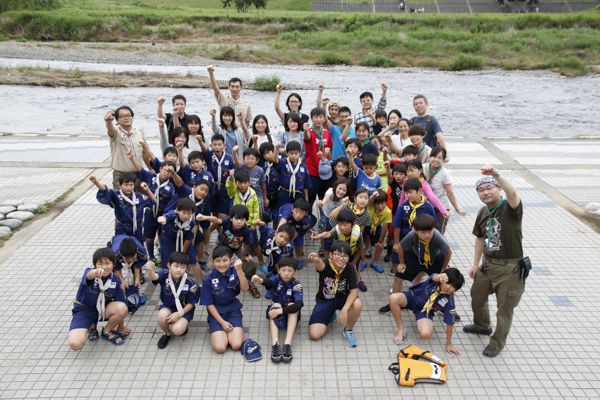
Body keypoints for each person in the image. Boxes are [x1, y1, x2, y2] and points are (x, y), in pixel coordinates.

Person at [464, 165, 525, 358]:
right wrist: (476, 263)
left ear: (499, 189)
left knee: (504, 309)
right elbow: (480, 238)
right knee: (477, 296)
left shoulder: (510, 208)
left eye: (490, 187)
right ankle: (482, 326)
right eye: (481, 190)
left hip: (510, 268)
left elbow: (513, 192)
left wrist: (496, 173)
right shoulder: (483, 212)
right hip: (488, 264)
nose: (485, 192)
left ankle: (497, 343)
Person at [389, 268, 463, 355]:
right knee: (393, 298)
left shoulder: (449, 300)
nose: (448, 287)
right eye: (447, 283)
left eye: (453, 286)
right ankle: (401, 329)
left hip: (424, 311)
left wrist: (448, 344)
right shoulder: (435, 281)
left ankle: (425, 318)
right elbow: (434, 277)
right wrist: (440, 276)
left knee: (426, 334)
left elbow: (450, 322)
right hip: (412, 298)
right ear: (442, 280)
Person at [68, 247, 129, 350]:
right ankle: (91, 327)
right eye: (100, 264)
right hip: (84, 310)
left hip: (103, 310)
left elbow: (121, 302)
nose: (104, 267)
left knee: (122, 307)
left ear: (114, 264)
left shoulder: (116, 280)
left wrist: (121, 327)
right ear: (95, 265)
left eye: (107, 263)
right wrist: (96, 273)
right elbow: (89, 275)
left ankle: (106, 331)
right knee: (75, 344)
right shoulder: (90, 273)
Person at [307, 242, 362, 347]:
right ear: (331, 255)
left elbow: (354, 291)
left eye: (345, 256)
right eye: (338, 254)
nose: (341, 258)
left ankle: (348, 330)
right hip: (325, 300)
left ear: (348, 258)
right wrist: (316, 260)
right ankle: (330, 315)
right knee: (314, 334)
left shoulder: (349, 267)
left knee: (357, 303)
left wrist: (345, 309)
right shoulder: (326, 263)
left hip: (342, 298)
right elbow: (320, 267)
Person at [251, 257, 304, 363]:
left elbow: (299, 304)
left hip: (289, 315)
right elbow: (269, 282)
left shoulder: (297, 285)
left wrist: (280, 311)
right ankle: (275, 344)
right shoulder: (277, 278)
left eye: (290, 271)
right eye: (283, 270)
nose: (286, 274)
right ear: (278, 270)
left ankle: (287, 344)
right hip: (275, 311)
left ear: (295, 271)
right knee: (275, 305)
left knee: (292, 305)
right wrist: (259, 280)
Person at [200, 246, 250, 353]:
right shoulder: (208, 278)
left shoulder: (235, 271)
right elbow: (208, 304)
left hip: (233, 310)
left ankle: (227, 332)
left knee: (236, 345)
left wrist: (239, 270)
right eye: (218, 261)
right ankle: (219, 329)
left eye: (225, 260)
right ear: (213, 262)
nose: (222, 264)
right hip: (217, 313)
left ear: (231, 260)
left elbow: (245, 288)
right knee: (220, 348)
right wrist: (222, 322)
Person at [146, 252, 199, 349]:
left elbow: (191, 304)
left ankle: (181, 324)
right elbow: (154, 277)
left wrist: (178, 314)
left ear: (186, 268)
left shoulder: (191, 282)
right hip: (168, 306)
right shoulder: (164, 274)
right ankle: (166, 333)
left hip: (184, 309)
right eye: (176, 266)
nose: (179, 270)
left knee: (178, 330)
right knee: (161, 316)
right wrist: (150, 270)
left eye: (183, 267)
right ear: (169, 265)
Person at [91, 173, 156, 243]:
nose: (128, 187)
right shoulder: (116, 195)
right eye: (126, 185)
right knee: (121, 248)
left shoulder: (139, 197)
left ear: (135, 185)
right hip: (122, 228)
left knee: (138, 248)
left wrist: (147, 190)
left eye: (131, 185)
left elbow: (153, 201)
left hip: (136, 228)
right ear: (119, 185)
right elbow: (105, 189)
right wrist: (96, 182)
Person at [328, 188, 371, 291]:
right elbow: (332, 215)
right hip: (340, 235)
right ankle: (334, 281)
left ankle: (358, 280)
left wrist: (357, 239)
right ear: (354, 198)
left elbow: (362, 229)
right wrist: (342, 205)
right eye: (360, 197)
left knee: (355, 265)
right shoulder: (347, 206)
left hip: (354, 238)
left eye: (366, 198)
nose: (363, 200)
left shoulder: (367, 214)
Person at [225, 169, 265, 274]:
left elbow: (256, 209)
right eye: (240, 182)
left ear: (249, 183)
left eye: (245, 182)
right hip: (235, 225)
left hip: (248, 225)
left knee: (255, 244)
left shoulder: (252, 193)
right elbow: (229, 187)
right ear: (236, 183)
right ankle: (227, 265)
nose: (242, 185)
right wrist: (230, 178)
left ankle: (262, 263)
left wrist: (253, 223)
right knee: (231, 245)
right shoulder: (234, 191)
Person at [425, 146, 467, 234]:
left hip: (440, 208)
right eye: (434, 156)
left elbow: (450, 193)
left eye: (440, 158)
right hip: (425, 206)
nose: (436, 160)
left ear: (444, 160)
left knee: (438, 234)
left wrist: (457, 209)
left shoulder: (444, 173)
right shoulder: (422, 168)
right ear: (430, 156)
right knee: (424, 232)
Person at [104, 106, 146, 191]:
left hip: (139, 175)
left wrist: (150, 168)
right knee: (122, 202)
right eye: (122, 116)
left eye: (128, 115)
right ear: (117, 120)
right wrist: (108, 122)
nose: (126, 118)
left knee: (140, 201)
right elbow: (110, 129)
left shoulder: (138, 132)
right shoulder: (116, 132)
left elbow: (144, 152)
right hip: (122, 176)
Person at [156, 198, 201, 276]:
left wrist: (182, 253)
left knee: (193, 261)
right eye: (183, 212)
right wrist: (162, 219)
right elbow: (165, 217)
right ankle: (165, 283)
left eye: (189, 213)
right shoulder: (172, 214)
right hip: (168, 240)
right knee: (167, 261)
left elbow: (188, 239)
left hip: (184, 241)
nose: (186, 216)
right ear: (177, 210)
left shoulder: (191, 223)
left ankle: (201, 284)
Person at [303, 107, 333, 206]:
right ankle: (310, 221)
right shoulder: (310, 132)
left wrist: (330, 163)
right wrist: (305, 130)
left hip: (325, 172)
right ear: (311, 119)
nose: (319, 119)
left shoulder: (327, 133)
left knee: (323, 200)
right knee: (310, 201)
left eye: (321, 117)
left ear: (325, 119)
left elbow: (329, 150)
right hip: (312, 171)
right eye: (316, 117)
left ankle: (322, 221)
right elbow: (307, 137)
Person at [277, 198, 316, 270]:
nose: (298, 215)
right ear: (292, 209)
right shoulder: (287, 211)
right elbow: (281, 225)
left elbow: (299, 232)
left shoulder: (307, 221)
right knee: (283, 235)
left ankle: (299, 257)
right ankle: (285, 255)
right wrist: (281, 237)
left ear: (306, 213)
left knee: (299, 239)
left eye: (301, 212)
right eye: (296, 211)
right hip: (285, 217)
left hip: (298, 227)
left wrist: (288, 240)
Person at [316, 178, 350, 256]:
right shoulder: (330, 191)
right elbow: (326, 198)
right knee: (324, 229)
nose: (341, 192)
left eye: (344, 190)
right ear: (335, 187)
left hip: (335, 216)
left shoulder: (346, 198)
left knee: (334, 231)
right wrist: (322, 203)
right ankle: (322, 246)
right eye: (340, 188)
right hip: (326, 213)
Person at [362, 190, 392, 273]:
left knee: (379, 246)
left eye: (382, 203)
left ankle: (374, 263)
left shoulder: (388, 212)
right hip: (364, 225)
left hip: (376, 227)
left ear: (386, 202)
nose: (380, 206)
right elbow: (370, 201)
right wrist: (373, 196)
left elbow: (385, 226)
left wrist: (380, 240)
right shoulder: (371, 206)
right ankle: (363, 261)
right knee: (361, 245)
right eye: (377, 204)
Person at [232, 146, 267, 215]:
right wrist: (234, 152)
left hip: (257, 196)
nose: (249, 161)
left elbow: (263, 184)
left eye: (252, 159)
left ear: (257, 160)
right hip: (244, 196)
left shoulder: (260, 170)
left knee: (257, 215)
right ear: (243, 159)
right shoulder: (242, 167)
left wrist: (265, 198)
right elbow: (236, 161)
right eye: (247, 158)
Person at [384, 163, 407, 264]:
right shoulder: (393, 184)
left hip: (406, 215)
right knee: (390, 234)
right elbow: (389, 177)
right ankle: (389, 251)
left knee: (403, 234)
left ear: (405, 175)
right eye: (396, 174)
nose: (398, 176)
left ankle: (403, 252)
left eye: (401, 174)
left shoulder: (408, 185)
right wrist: (388, 167)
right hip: (394, 214)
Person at [277, 141, 311, 205]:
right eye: (291, 153)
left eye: (296, 153)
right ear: (287, 153)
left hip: (298, 195)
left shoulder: (303, 166)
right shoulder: (283, 163)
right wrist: (276, 149)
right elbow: (275, 161)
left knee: (298, 213)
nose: (294, 156)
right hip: (285, 194)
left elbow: (306, 185)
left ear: (300, 153)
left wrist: (306, 200)